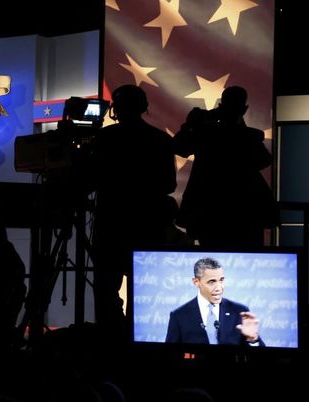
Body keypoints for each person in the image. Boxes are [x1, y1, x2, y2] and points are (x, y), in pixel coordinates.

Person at [89, 84, 177, 330]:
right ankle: (138, 342)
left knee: (106, 290)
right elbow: (169, 184)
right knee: (145, 292)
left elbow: (90, 177)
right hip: (148, 226)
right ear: (144, 107)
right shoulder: (160, 139)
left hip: (111, 225)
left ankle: (113, 338)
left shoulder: (105, 139)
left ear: (116, 108)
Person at [174, 85, 278, 247]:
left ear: (221, 105)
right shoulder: (248, 136)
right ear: (244, 109)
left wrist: (191, 124)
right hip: (245, 209)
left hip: (207, 209)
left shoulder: (206, 133)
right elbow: (263, 161)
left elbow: (180, 147)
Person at [165, 257, 264, 346]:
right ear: (196, 282)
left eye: (221, 280)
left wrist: (253, 339)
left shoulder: (239, 311)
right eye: (212, 282)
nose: (219, 288)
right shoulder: (179, 316)